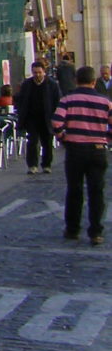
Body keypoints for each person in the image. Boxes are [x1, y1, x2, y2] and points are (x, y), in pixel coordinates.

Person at [51, 65, 112, 245]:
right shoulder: (105, 101)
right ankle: (96, 231)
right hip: (97, 149)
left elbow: (56, 122)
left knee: (75, 190)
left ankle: (72, 229)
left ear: (76, 80)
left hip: (75, 149)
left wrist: (63, 137)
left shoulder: (68, 99)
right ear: (94, 81)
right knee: (97, 191)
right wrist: (105, 139)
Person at [15, 60, 60, 174]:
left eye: (39, 72)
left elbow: (57, 101)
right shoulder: (27, 84)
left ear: (44, 72)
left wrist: (56, 117)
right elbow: (21, 100)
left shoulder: (52, 84)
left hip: (47, 117)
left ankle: (46, 165)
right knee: (32, 142)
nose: (37, 75)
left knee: (47, 142)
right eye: (35, 72)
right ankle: (32, 165)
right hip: (32, 118)